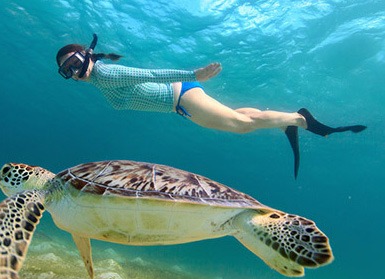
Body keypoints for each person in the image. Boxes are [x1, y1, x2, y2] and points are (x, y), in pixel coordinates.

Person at [56, 34, 366, 178]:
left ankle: (299, 120)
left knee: (240, 127)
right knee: (240, 118)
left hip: (180, 97)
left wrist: (194, 74)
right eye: (65, 71)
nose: (73, 72)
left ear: (85, 55)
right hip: (180, 101)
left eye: (72, 63)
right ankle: (287, 121)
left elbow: (149, 74)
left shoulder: (105, 73)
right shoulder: (99, 79)